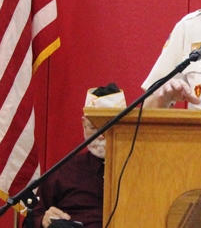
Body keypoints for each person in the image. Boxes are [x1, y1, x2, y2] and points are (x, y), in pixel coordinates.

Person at [25, 84, 126, 228]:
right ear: (83, 124)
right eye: (93, 128)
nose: (101, 136)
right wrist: (43, 221)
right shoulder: (63, 172)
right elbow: (32, 220)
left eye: (108, 126)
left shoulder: (142, 170)